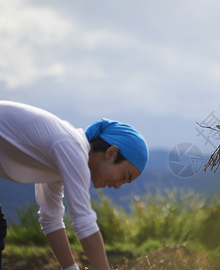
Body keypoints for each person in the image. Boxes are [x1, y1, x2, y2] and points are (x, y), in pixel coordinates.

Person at [0, 100, 149, 270]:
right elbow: (84, 221)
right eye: (124, 177)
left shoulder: (63, 158)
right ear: (111, 153)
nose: (117, 186)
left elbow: (51, 218)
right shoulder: (73, 148)